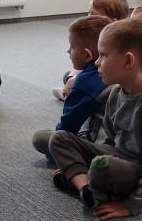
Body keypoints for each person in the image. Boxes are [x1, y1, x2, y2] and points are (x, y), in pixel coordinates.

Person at [48, 18, 142, 220]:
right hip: (117, 155)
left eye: (103, 55)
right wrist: (89, 152)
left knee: (102, 167)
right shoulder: (115, 92)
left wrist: (133, 205)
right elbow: (108, 138)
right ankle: (86, 188)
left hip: (140, 170)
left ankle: (82, 178)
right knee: (59, 138)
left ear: (128, 61)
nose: (96, 62)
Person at [32, 15, 110, 160]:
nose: (68, 51)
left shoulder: (85, 81)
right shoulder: (115, 71)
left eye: (72, 47)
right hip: (122, 143)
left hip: (102, 145)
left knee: (40, 138)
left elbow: (68, 125)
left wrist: (56, 153)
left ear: (87, 55)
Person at [53, 0, 129, 100]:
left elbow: (97, 70)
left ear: (113, 22)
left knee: (74, 79)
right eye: (88, 12)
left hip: (104, 80)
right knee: (68, 75)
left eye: (93, 14)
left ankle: (69, 95)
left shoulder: (112, 44)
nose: (88, 17)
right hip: (95, 73)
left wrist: (75, 79)